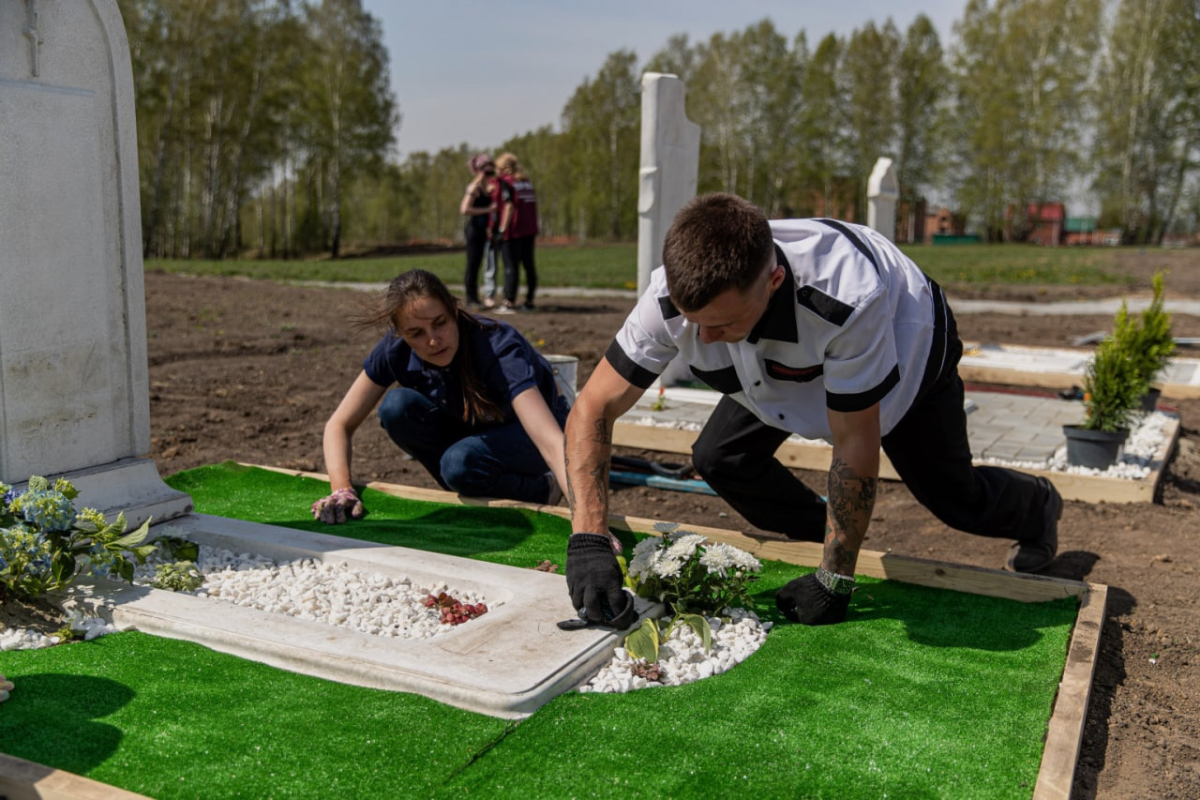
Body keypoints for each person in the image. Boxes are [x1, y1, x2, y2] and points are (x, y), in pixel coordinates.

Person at [561, 193, 1062, 627]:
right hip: (774, 368)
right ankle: (817, 531)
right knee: (720, 458)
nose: (703, 339)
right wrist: (589, 536)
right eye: (695, 322)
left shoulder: (847, 301)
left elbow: (854, 444)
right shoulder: (670, 298)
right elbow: (594, 407)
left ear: (774, 281)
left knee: (955, 499)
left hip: (908, 353)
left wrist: (835, 580)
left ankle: (1037, 506)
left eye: (722, 323)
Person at [311, 270, 569, 523]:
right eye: (416, 333)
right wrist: (341, 488)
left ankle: (544, 489)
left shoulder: (496, 346)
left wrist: (586, 517)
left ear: (454, 311)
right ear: (400, 332)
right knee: (396, 408)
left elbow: (550, 440)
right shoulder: (394, 351)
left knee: (461, 463)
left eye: (440, 323)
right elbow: (339, 424)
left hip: (538, 430)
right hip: (477, 427)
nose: (433, 340)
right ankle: (468, 485)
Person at [493, 152, 540, 312]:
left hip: (514, 232)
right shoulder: (526, 183)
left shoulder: (506, 183)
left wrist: (501, 229)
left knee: (510, 266)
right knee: (529, 266)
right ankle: (529, 300)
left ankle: (509, 301)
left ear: (502, 168)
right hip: (529, 230)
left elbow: (509, 206)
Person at [460, 153, 499, 309]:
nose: (490, 175)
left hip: (483, 230)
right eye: (487, 172)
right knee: (473, 264)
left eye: (492, 172)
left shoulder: (486, 188)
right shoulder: (474, 187)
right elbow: (465, 209)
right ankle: (471, 298)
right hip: (474, 229)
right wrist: (488, 209)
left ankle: (476, 297)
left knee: (481, 264)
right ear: (478, 170)